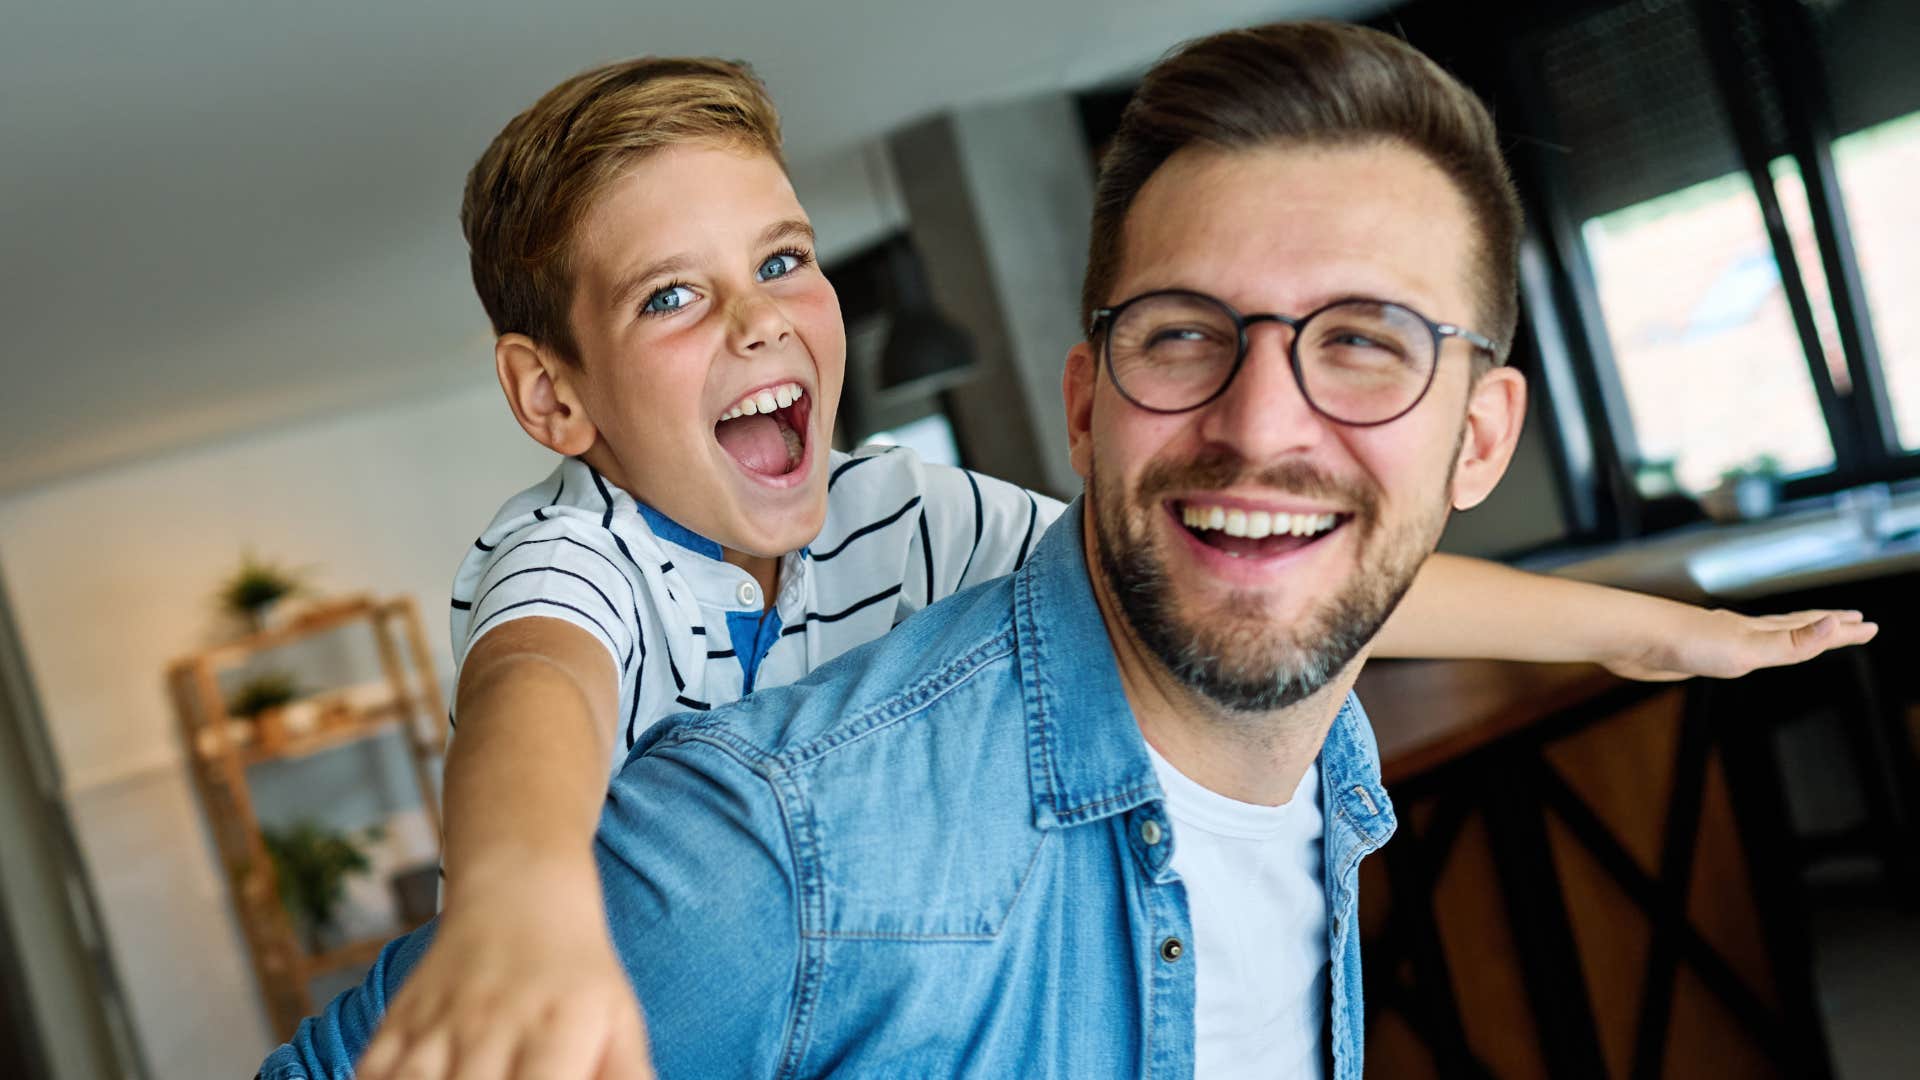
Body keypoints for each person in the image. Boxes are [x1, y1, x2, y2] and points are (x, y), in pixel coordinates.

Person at [276, 30, 1878, 1080]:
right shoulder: (589, 565)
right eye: (673, 297)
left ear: (1481, 429)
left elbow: (1273, 564)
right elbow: (530, 695)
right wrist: (525, 905)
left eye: (779, 259)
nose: (762, 316)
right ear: (552, 394)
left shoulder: (903, 503)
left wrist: (1645, 634)